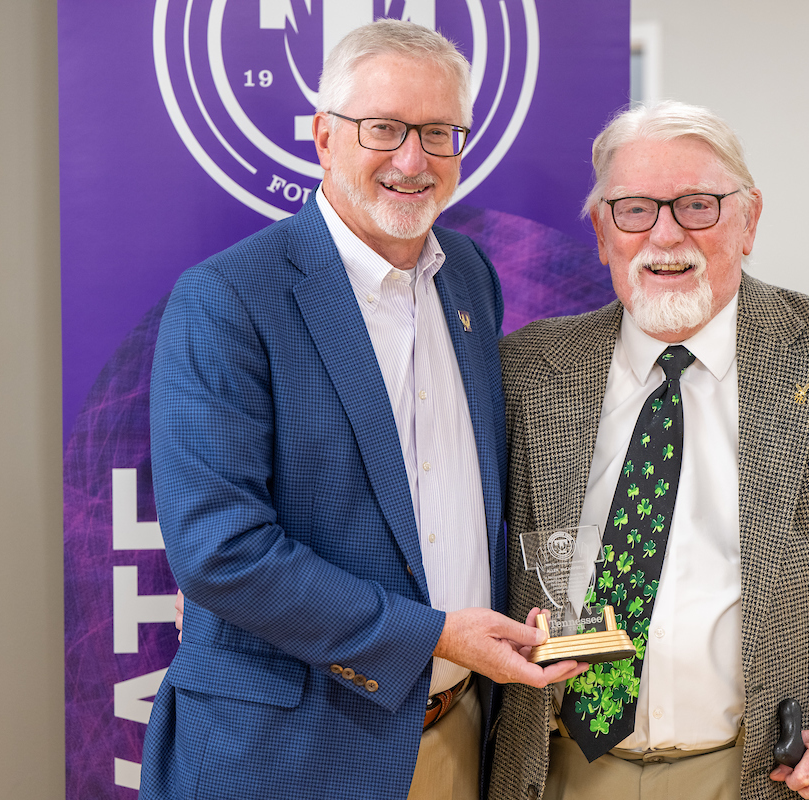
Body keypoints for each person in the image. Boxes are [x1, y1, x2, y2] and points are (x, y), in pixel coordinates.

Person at [141, 20, 583, 800]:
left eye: (439, 133)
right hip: (283, 754)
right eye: (384, 129)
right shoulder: (229, 299)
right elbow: (219, 549)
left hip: (457, 733)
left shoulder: (469, 277)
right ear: (324, 137)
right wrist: (438, 635)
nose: (413, 160)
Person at [488, 101, 809, 800]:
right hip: (559, 770)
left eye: (698, 206)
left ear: (749, 220)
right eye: (634, 210)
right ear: (600, 232)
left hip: (758, 777)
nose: (666, 235)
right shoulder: (529, 369)